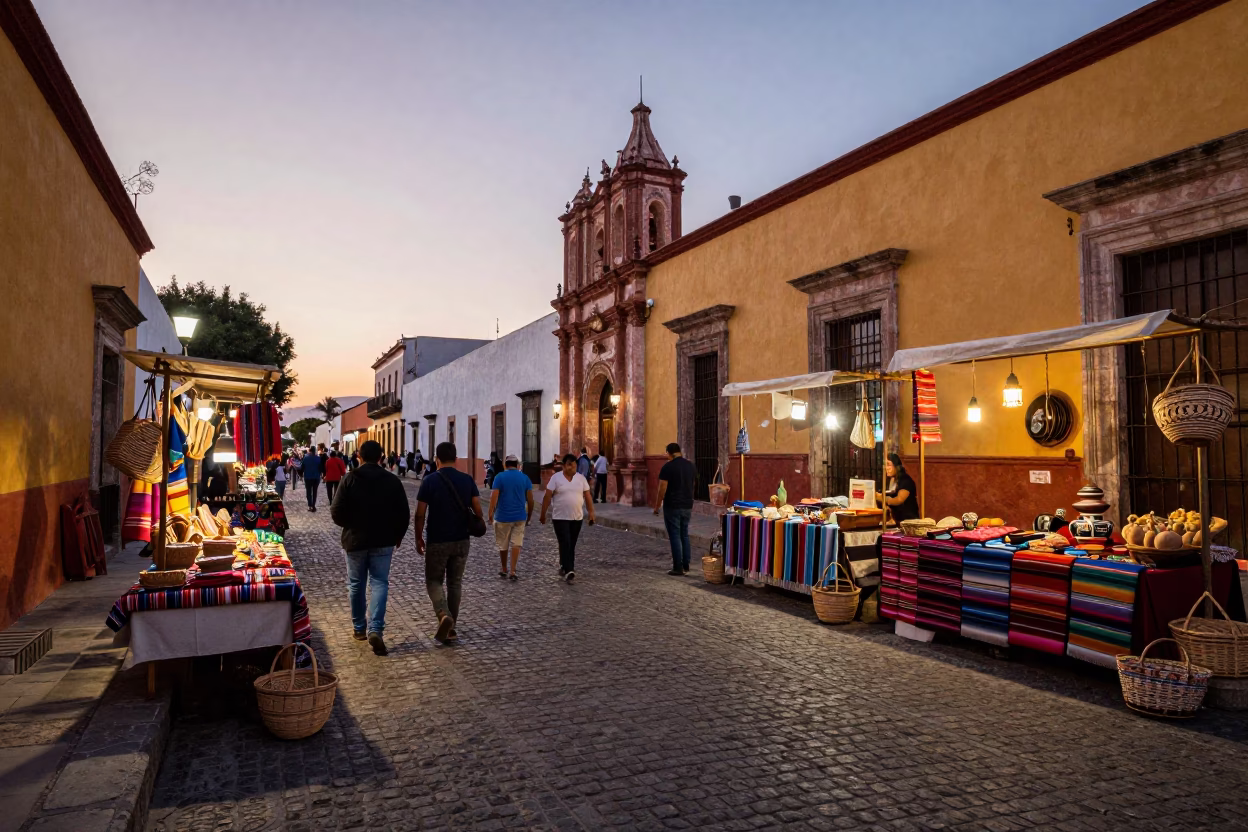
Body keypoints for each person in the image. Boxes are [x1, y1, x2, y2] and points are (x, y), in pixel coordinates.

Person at [330, 440, 410, 656]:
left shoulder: (350, 478)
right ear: (381, 457)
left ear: (359, 456)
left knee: (356, 584)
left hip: (355, 540)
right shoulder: (392, 481)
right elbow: (404, 513)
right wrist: (398, 534)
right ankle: (376, 628)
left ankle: (359, 629)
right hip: (383, 540)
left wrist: (351, 525)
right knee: (380, 583)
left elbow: (335, 511)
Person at [414, 442, 484, 644]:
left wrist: (418, 537)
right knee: (455, 582)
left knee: (434, 581)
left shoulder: (429, 481)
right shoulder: (467, 480)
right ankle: (451, 628)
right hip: (462, 539)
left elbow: (420, 513)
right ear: (456, 459)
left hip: (437, 539)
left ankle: (443, 614)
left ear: (437, 459)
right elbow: (478, 511)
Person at [540, 453, 595, 582]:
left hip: (577, 517)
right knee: (565, 541)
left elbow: (587, 496)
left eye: (575, 464)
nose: (573, 467)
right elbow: (547, 496)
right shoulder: (556, 478)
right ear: (564, 466)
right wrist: (543, 514)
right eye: (570, 464)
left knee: (571, 543)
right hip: (560, 517)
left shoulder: (581, 479)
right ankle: (570, 569)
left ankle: (565, 565)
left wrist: (591, 512)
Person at [653, 442, 696, 575]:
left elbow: (662, 488)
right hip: (687, 504)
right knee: (684, 534)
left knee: (675, 535)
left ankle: (678, 567)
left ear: (669, 453)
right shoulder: (690, 466)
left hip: (673, 505)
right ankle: (686, 564)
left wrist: (657, 506)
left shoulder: (668, 467)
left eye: (666, 453)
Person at [489, 454, 533, 581]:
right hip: (520, 517)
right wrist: (529, 515)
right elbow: (530, 500)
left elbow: (494, 497)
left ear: (505, 465)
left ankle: (504, 568)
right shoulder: (525, 478)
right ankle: (513, 570)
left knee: (503, 544)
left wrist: (490, 514)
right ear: (518, 465)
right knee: (516, 543)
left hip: (502, 516)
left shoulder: (499, 477)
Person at [879, 452, 920, 523]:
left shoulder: (905, 480)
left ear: (896, 466)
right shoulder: (893, 479)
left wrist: (881, 498)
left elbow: (899, 500)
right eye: (885, 465)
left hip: (909, 521)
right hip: (897, 520)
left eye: (888, 465)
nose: (886, 468)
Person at [301, 446, 323, 511]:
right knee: (315, 491)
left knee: (308, 491)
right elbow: (320, 468)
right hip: (316, 477)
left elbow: (302, 467)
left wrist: (301, 474)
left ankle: (310, 505)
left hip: (307, 477)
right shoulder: (318, 458)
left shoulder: (306, 458)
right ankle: (313, 505)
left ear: (310, 450)